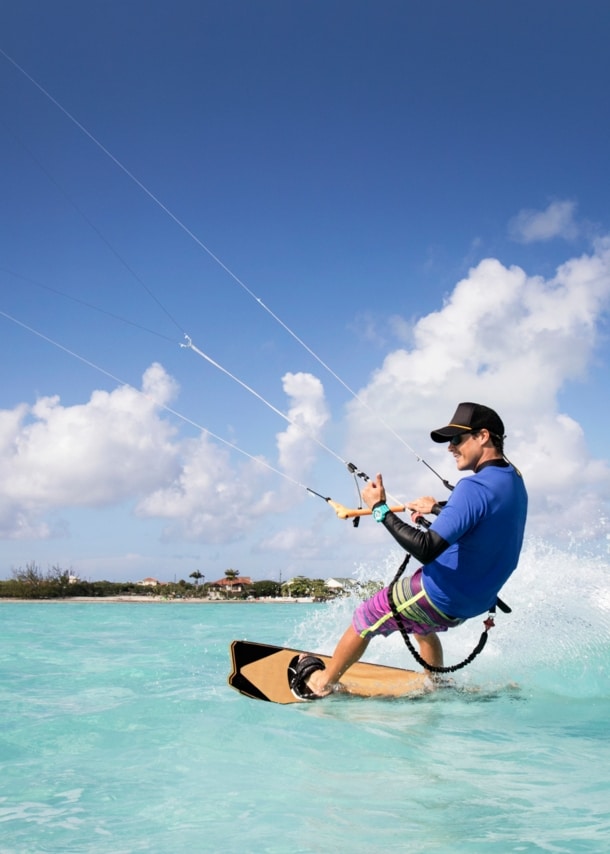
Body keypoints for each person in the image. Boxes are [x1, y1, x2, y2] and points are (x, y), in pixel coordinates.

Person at [290, 402, 528, 699]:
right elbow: (484, 516)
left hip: (441, 593)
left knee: (366, 616)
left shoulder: (472, 487)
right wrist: (439, 508)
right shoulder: (513, 480)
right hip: (477, 601)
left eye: (456, 439)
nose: (450, 448)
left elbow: (426, 549)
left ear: (482, 436)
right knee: (420, 625)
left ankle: (321, 684)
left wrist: (380, 509)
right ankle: (436, 685)